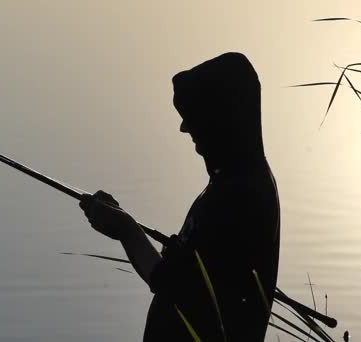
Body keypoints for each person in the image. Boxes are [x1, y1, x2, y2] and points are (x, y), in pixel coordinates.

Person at [79, 52, 280, 341]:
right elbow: (191, 273)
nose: (185, 128)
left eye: (196, 117)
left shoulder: (242, 196)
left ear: (224, 118)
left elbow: (172, 287)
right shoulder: (234, 181)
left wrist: (126, 230)